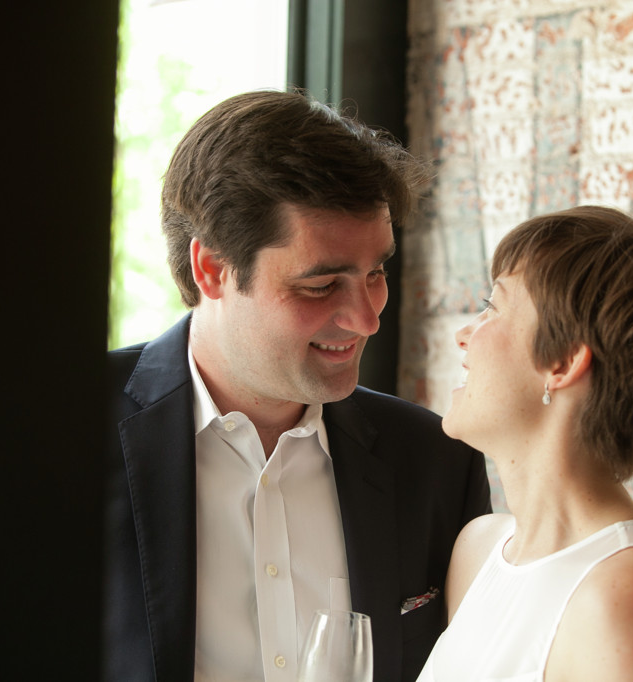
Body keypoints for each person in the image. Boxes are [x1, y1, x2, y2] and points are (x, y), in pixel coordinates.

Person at [104, 90, 492, 682]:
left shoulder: (437, 461)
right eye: (320, 286)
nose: (366, 319)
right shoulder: (58, 432)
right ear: (212, 269)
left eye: (376, 272)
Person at [417, 205, 633, 682]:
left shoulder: (624, 600)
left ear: (563, 362)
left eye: (492, 306)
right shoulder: (478, 551)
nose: (464, 335)